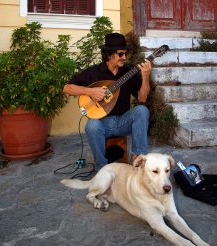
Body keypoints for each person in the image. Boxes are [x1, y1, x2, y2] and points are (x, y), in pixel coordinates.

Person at [63, 32, 152, 171]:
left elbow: (142, 99)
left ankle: (138, 159)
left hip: (123, 121)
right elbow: (67, 88)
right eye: (121, 54)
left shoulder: (128, 72)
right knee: (92, 126)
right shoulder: (94, 72)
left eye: (125, 53)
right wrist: (90, 91)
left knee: (142, 110)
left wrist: (145, 77)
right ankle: (102, 169)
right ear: (110, 54)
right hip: (102, 123)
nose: (124, 57)